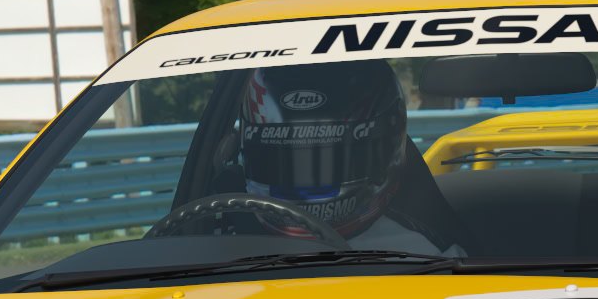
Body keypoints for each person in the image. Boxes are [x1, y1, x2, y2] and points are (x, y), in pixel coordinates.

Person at [187, 61, 453, 252]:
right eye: (279, 164)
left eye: (333, 164)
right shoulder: (214, 236)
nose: (305, 186)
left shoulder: (428, 257)